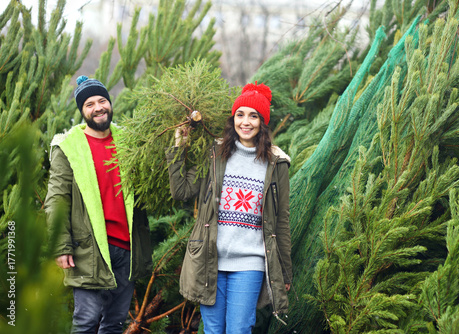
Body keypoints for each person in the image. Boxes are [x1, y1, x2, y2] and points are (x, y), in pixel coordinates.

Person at [167, 82, 292, 333]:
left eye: (253, 116)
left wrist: (285, 272)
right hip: (211, 259)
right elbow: (181, 191)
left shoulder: (276, 164)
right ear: (233, 119)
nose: (246, 122)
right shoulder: (214, 155)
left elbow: (281, 221)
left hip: (249, 262)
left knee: (239, 329)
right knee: (213, 330)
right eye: (240, 114)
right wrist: (178, 148)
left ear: (262, 122)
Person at [45, 76, 152, 334]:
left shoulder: (128, 141)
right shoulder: (68, 147)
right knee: (86, 321)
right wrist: (61, 246)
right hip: (88, 249)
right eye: (90, 104)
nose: (98, 107)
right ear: (82, 111)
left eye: (102, 100)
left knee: (115, 323)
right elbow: (57, 199)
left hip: (126, 247)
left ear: (110, 103)